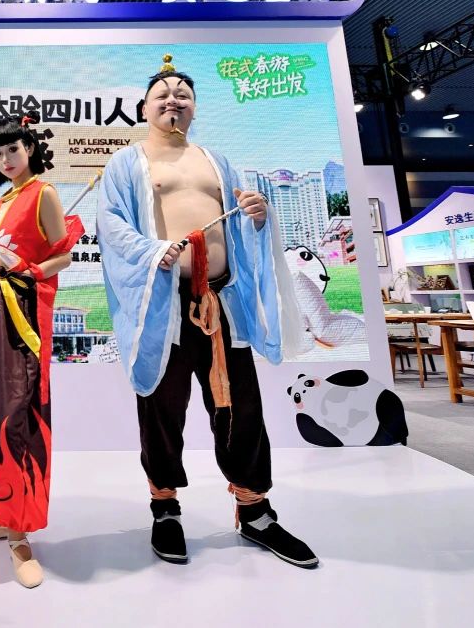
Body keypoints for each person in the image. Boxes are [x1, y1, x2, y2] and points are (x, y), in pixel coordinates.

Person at [98, 55, 316, 568]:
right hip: (163, 305)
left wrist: (259, 217)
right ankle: (164, 508)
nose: (173, 100)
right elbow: (111, 224)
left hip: (221, 301)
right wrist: (153, 252)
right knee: (161, 407)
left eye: (183, 94)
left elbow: (239, 225)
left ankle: (255, 510)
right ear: (144, 108)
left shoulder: (216, 161)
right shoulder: (127, 163)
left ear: (194, 107)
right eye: (162, 94)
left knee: (240, 405)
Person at [0, 112, 83, 588]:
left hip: (21, 321)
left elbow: (63, 254)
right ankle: (3, 512)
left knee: (15, 416)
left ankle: (20, 533)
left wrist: (25, 267)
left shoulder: (44, 193)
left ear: (29, 148)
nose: (6, 159)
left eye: (13, 149)